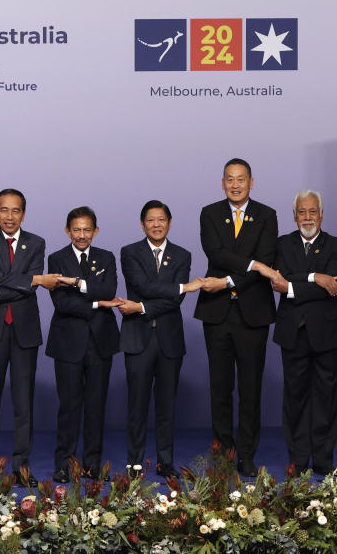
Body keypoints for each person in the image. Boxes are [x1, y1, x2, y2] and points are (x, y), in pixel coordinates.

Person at [0, 188, 60, 484]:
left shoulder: (36, 242)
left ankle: (21, 467)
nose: (10, 216)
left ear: (23, 213)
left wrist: (10, 287)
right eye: (4, 210)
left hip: (24, 329)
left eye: (16, 210)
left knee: (24, 404)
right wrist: (34, 279)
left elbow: (10, 287)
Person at [193, 158, 279, 478]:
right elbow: (215, 254)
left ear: (251, 182)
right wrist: (253, 265)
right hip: (216, 314)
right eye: (229, 179)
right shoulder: (209, 213)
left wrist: (230, 280)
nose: (235, 184)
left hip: (252, 314)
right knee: (220, 388)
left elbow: (267, 258)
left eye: (241, 179)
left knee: (250, 389)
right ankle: (224, 453)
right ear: (222, 183)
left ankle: (245, 455)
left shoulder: (267, 215)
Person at [117, 201, 202, 479]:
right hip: (137, 338)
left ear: (169, 222)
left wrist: (141, 306)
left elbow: (174, 300)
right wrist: (181, 287)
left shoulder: (182, 255)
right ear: (143, 224)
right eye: (151, 220)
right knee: (137, 404)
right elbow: (142, 286)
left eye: (162, 219)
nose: (156, 224)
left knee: (167, 404)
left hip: (169, 340)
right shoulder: (129, 252)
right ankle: (135, 462)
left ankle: (166, 461)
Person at [271, 190, 337, 475]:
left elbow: (333, 287)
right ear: (294, 216)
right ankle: (299, 460)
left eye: (312, 211)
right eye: (301, 212)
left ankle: (324, 460)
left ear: (321, 214)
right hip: (293, 333)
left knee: (326, 397)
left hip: (328, 335)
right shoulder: (281, 245)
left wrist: (292, 287)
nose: (307, 217)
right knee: (295, 398)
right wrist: (316, 276)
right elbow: (279, 278)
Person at [45, 206, 120, 483]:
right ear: (68, 231)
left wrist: (77, 283)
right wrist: (98, 302)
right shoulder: (56, 258)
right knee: (69, 406)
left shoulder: (107, 257)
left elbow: (110, 289)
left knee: (96, 405)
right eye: (76, 229)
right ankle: (64, 464)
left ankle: (91, 465)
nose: (81, 235)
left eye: (87, 229)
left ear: (95, 231)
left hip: (101, 341)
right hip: (67, 342)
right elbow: (62, 303)